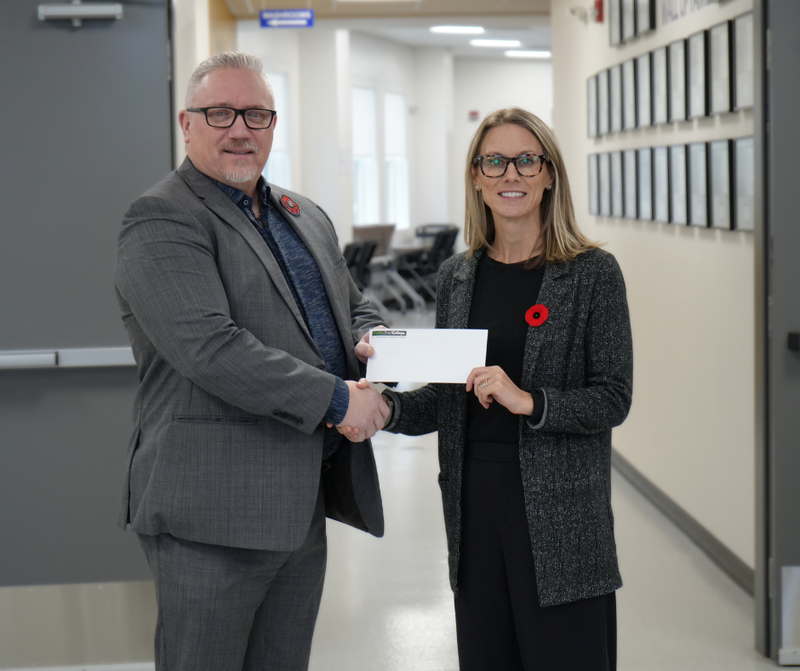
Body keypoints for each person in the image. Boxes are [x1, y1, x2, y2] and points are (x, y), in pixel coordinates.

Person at [114, 51, 390, 671]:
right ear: (187, 123)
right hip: (211, 513)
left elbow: (356, 308)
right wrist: (342, 400)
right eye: (220, 113)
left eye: (257, 115)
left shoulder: (303, 214)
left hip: (299, 504)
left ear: (273, 124)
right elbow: (210, 348)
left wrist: (381, 352)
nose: (240, 129)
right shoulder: (162, 218)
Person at [349, 107, 633, 670]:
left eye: (527, 160)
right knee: (487, 655)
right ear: (476, 177)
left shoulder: (593, 272)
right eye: (495, 161)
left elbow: (612, 397)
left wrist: (528, 400)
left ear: (549, 174)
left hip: (561, 512)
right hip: (474, 497)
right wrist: (387, 406)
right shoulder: (458, 274)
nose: (511, 174)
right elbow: (452, 393)